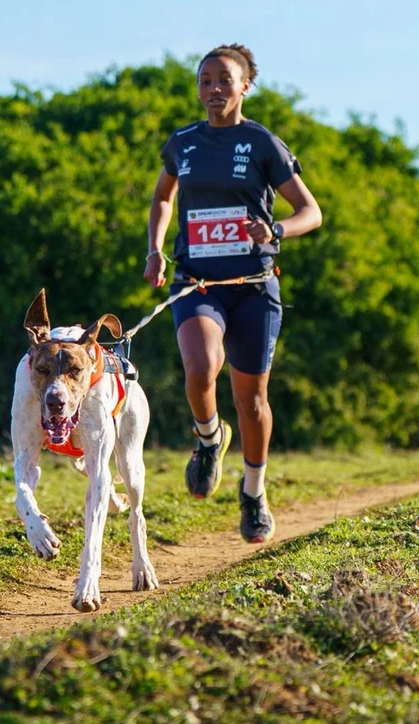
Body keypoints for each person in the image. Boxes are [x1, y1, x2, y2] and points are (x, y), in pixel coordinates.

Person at [144, 43, 323, 543]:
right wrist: (155, 249)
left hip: (252, 287)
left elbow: (311, 211)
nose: (213, 89)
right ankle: (207, 440)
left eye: (224, 80)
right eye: (205, 80)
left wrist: (278, 232)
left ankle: (253, 492)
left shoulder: (263, 143)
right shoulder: (183, 142)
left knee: (253, 402)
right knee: (200, 367)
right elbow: (163, 195)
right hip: (196, 282)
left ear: (245, 86)